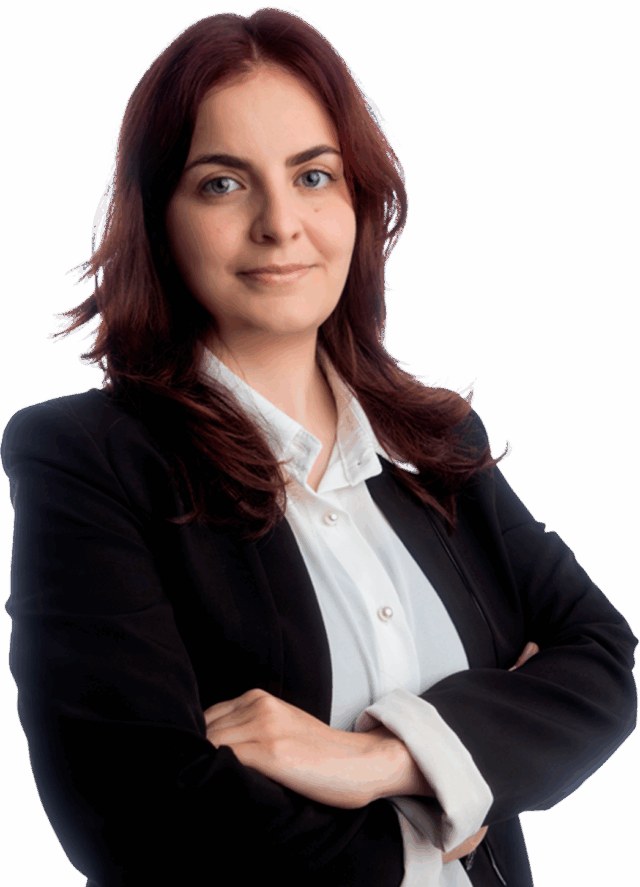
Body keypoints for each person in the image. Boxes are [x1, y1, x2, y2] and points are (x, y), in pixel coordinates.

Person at [1, 8, 636, 887]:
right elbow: (137, 813)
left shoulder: (436, 442)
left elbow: (600, 660)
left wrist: (383, 760)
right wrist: (449, 801)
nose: (279, 223)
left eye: (313, 175)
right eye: (223, 183)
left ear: (358, 198)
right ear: (159, 216)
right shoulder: (90, 460)